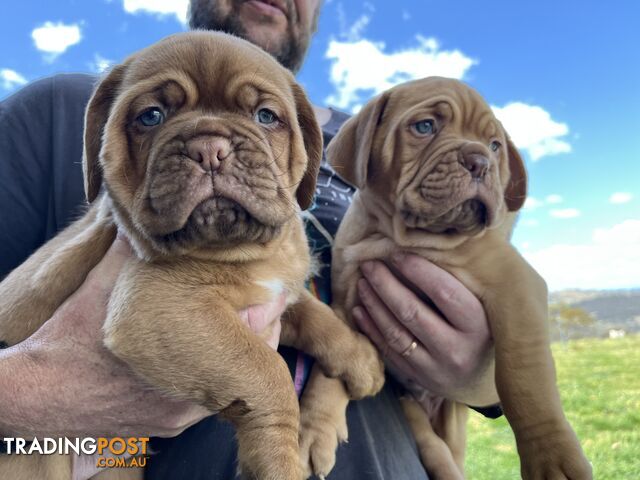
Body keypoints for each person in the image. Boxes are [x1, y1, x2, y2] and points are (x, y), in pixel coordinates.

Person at [0, 1, 500, 478]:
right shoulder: (58, 108)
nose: (212, 150)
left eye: (264, 117)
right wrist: (32, 388)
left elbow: (274, 291)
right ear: (97, 142)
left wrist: (484, 377)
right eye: (152, 116)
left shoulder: (377, 149)